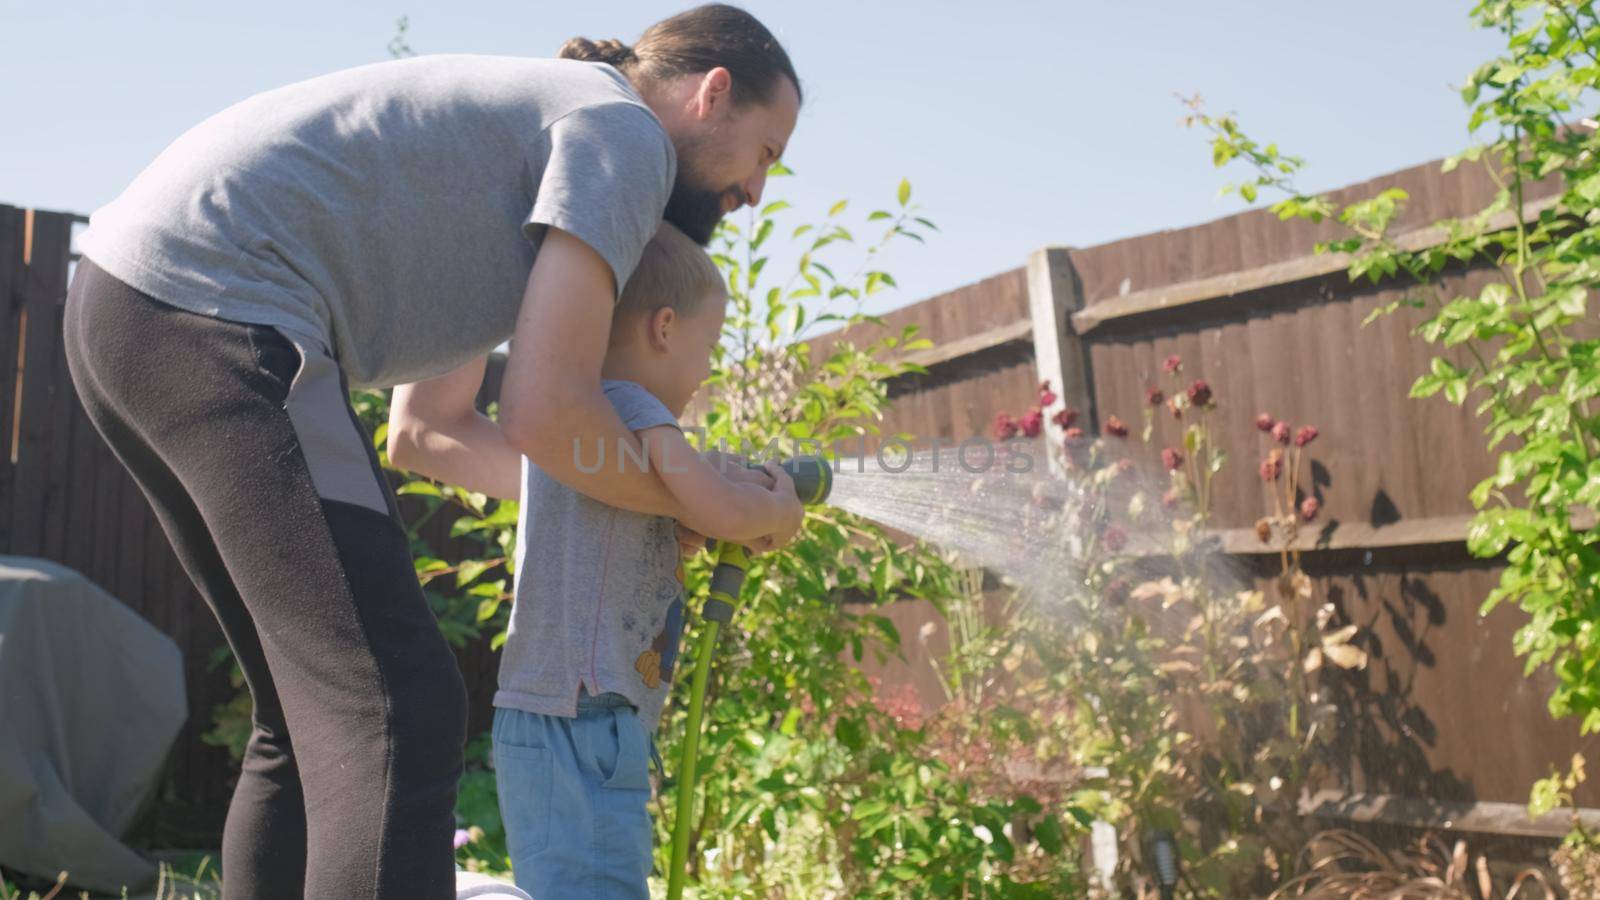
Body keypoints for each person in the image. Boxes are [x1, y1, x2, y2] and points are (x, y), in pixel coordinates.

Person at [61, 6, 803, 898]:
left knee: (309, 723)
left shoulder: (531, 146)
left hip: (129, 304)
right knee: (398, 705)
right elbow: (548, 414)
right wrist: (701, 500)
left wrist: (639, 502)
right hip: (219, 305)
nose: (757, 192)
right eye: (765, 154)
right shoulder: (622, 132)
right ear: (712, 94)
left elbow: (433, 432)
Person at [470, 222, 785, 898]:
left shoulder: (598, 427)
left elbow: (669, 511)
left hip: (571, 716)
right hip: (580, 721)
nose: (707, 371)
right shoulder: (629, 404)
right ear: (664, 327)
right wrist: (773, 513)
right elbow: (722, 511)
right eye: (710, 346)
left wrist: (685, 519)